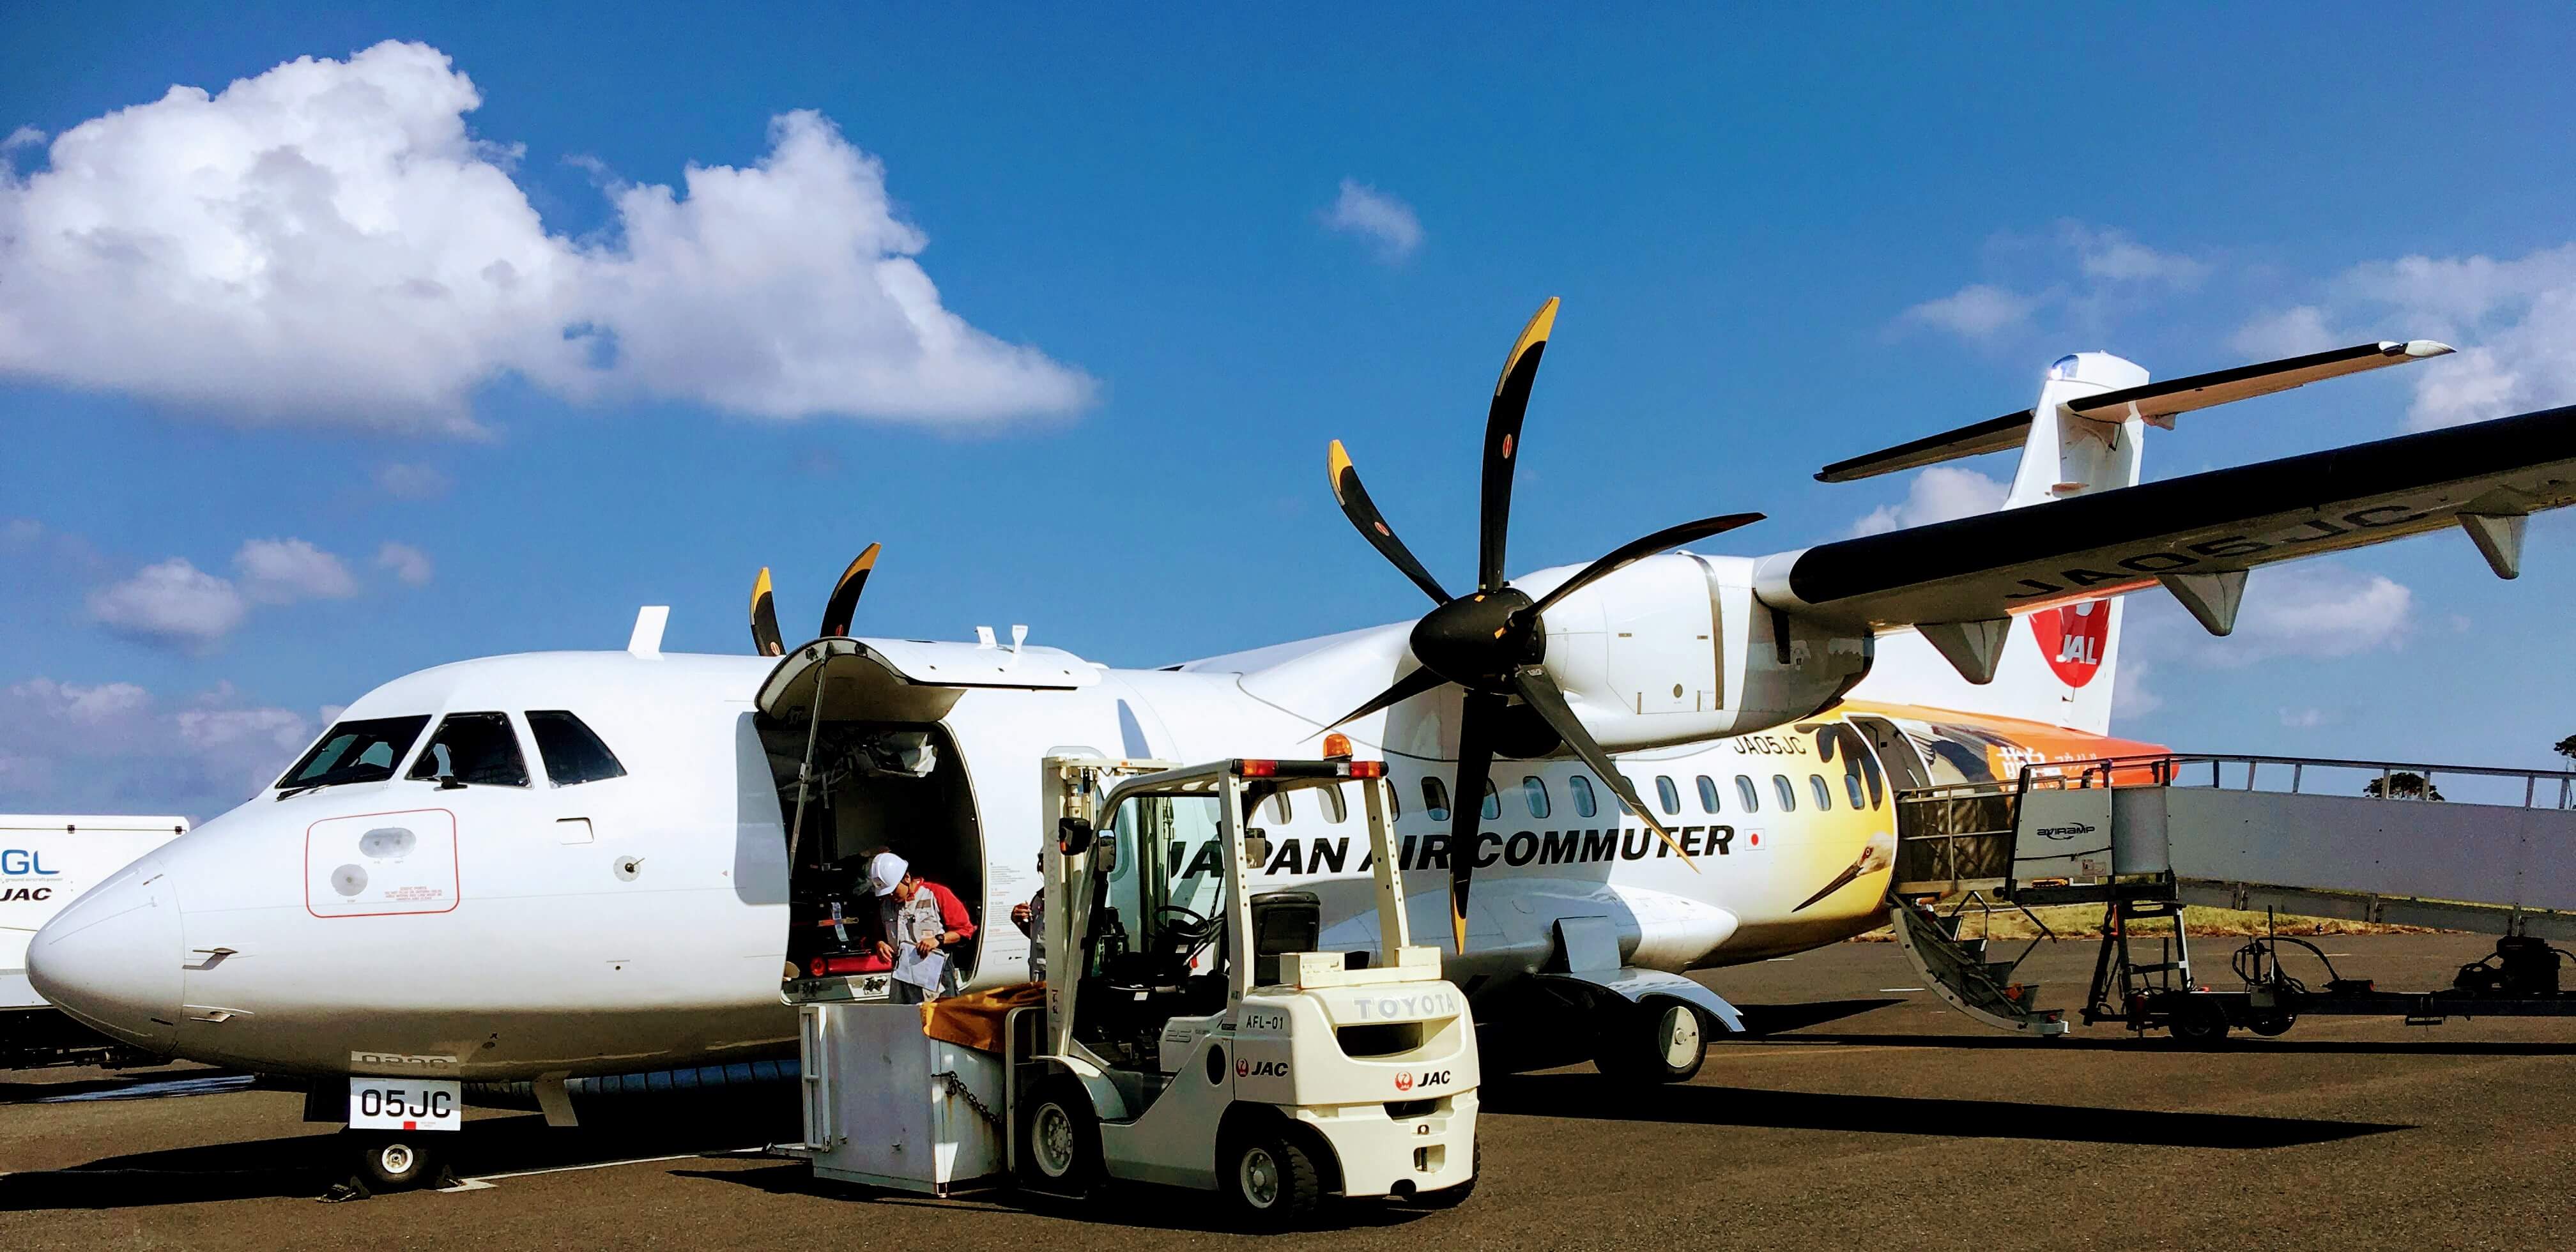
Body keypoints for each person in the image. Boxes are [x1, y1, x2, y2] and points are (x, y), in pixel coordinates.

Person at [869, 852, 976, 1004]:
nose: (891, 895)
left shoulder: (937, 894)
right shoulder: (884, 905)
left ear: (906, 878)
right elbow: (875, 934)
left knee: (939, 1024)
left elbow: (965, 930)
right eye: (887, 892)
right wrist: (879, 944)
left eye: (893, 890)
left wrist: (938, 940)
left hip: (937, 982)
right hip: (902, 980)